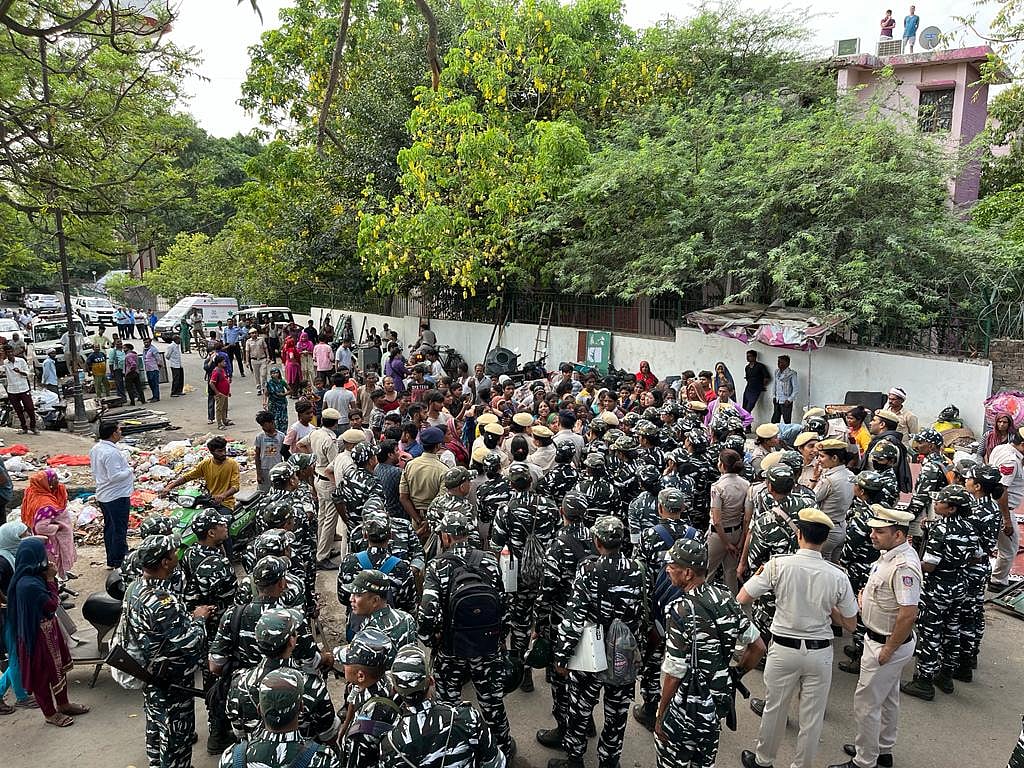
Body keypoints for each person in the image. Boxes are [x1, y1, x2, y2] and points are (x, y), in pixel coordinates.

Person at [738, 508, 858, 768]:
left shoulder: (778, 564)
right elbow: (850, 624)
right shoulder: (838, 575)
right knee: (812, 718)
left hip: (783, 649)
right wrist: (828, 607)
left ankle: (763, 760)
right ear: (825, 540)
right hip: (820, 652)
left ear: (799, 535)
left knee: (774, 709)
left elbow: (743, 597)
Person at [655, 539, 765, 768]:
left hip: (685, 705)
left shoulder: (679, 611)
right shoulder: (725, 598)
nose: (667, 569)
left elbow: (674, 673)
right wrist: (735, 675)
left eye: (672, 566)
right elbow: (758, 647)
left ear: (687, 573)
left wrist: (661, 714)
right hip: (716, 701)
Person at [549, 516, 646, 768]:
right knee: (616, 714)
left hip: (591, 652)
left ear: (597, 542)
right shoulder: (638, 569)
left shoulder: (589, 570)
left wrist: (561, 656)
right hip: (622, 654)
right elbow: (642, 614)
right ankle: (609, 762)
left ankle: (575, 759)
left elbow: (573, 618)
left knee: (580, 708)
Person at [418, 512, 514, 759]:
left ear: (446, 536)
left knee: (447, 704)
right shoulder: (489, 561)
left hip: (451, 649)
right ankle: (501, 749)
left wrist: (432, 642)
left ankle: (451, 751)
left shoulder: (437, 566)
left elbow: (427, 613)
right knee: (492, 702)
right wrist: (499, 639)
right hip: (487, 646)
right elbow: (503, 604)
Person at [121, 535, 211, 768]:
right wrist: (199, 619)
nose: (177, 557)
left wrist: (183, 620)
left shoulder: (135, 588)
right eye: (173, 553)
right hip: (171, 679)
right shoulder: (161, 600)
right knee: (175, 737)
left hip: (149, 674)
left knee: (156, 726)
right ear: (164, 562)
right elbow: (191, 642)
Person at [6, 537, 89, 726]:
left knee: (58, 669)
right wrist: (51, 579)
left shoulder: (34, 577)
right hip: (36, 637)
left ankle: (63, 704)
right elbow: (51, 605)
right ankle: (50, 713)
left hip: (48, 630)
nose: (47, 557)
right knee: (42, 676)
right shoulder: (29, 585)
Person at [381, 644, 507, 768]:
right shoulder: (468, 718)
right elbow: (497, 763)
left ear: (394, 690)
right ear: (431, 681)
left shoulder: (391, 744)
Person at [160, 436, 241, 519]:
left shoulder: (232, 464)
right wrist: (169, 487)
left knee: (221, 525)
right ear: (212, 452)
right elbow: (187, 477)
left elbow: (236, 486)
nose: (223, 453)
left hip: (225, 504)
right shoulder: (205, 464)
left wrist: (223, 496)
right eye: (220, 451)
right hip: (209, 501)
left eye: (224, 449)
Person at [0, 522, 34, 713]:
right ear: (11, 538)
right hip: (8, 615)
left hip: (13, 612)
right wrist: (6, 600)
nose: (27, 536)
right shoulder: (3, 560)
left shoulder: (11, 556)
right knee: (16, 655)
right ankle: (21, 696)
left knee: (18, 655)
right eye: (23, 535)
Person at [89, 421, 133, 568]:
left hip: (105, 494)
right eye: (119, 430)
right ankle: (119, 560)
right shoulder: (111, 453)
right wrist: (129, 470)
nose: (121, 432)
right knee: (119, 529)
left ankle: (113, 558)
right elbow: (114, 476)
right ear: (114, 433)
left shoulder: (97, 448)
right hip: (116, 496)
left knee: (110, 528)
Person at [987, 427, 1024, 592]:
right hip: (1002, 508)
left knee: (986, 544)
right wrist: (1007, 519)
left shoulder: (1000, 448)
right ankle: (998, 581)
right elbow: (1001, 490)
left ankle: (997, 579)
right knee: (1009, 548)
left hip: (989, 505)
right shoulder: (1012, 460)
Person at [27, 471, 76, 580]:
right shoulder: (45, 504)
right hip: (52, 540)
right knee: (55, 560)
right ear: (46, 483)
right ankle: (57, 583)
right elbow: (40, 527)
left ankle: (62, 575)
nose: (58, 482)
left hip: (48, 537)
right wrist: (58, 527)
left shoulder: (34, 492)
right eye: (55, 480)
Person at [3, 346, 37, 434]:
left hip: (23, 388)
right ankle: (24, 427)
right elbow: (1, 370)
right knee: (18, 410)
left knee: (30, 408)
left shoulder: (21, 361)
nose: (10, 354)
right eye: (8, 352)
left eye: (11, 352)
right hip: (12, 390)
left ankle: (33, 427)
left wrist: (19, 371)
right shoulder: (5, 363)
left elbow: (28, 373)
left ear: (13, 352)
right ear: (6, 354)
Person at [254, 411, 286, 493]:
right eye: (261, 425)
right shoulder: (260, 437)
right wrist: (259, 473)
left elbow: (284, 453)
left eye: (264, 425)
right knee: (263, 492)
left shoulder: (281, 436)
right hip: (264, 469)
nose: (262, 427)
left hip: (277, 468)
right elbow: (257, 455)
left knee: (278, 491)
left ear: (272, 422)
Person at [771, 355, 797, 424]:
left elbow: (795, 389)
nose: (779, 364)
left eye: (781, 362)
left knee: (787, 420)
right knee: (775, 420)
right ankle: (774, 434)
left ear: (787, 363)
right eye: (778, 362)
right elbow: (775, 385)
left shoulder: (792, 374)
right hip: (777, 400)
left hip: (786, 401)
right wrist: (774, 396)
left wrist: (789, 400)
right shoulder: (777, 372)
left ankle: (787, 434)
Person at [209, 355, 232, 430]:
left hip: (225, 394)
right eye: (223, 362)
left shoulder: (222, 370)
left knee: (224, 408)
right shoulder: (216, 371)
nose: (225, 363)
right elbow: (211, 383)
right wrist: (217, 392)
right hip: (220, 394)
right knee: (219, 409)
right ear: (219, 363)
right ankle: (219, 424)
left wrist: (228, 391)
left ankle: (224, 420)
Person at [245, 328, 270, 396]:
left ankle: (264, 388)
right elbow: (247, 352)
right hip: (254, 360)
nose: (254, 334)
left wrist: (268, 357)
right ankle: (258, 388)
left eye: (255, 333)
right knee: (256, 375)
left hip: (262, 359)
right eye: (252, 333)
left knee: (263, 374)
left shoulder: (261, 339)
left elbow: (265, 348)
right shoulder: (248, 342)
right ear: (250, 334)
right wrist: (247, 361)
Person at [141, 337, 162, 401]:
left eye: (147, 342)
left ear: (150, 342)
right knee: (151, 383)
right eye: (145, 342)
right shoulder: (144, 349)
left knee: (155, 383)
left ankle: (156, 397)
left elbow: (158, 358)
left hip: (154, 368)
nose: (146, 343)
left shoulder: (153, 349)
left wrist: (159, 365)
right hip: (148, 369)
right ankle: (154, 395)